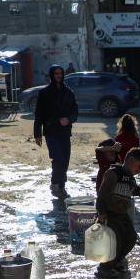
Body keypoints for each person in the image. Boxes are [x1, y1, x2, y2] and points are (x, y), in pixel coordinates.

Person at [94, 148, 140, 278]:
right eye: (139, 167)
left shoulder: (131, 179)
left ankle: (115, 262)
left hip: (122, 214)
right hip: (110, 213)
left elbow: (137, 190)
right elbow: (102, 194)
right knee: (115, 242)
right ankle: (104, 268)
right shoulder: (113, 173)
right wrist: (101, 212)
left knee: (131, 239)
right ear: (131, 160)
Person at [33, 64, 79, 199]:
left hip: (65, 132)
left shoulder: (69, 92)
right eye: (56, 73)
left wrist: (69, 120)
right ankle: (55, 184)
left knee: (65, 159)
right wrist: (37, 133)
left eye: (60, 73)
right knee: (57, 157)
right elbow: (38, 114)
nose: (58, 76)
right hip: (51, 131)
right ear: (52, 75)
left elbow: (75, 111)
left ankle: (61, 185)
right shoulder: (44, 93)